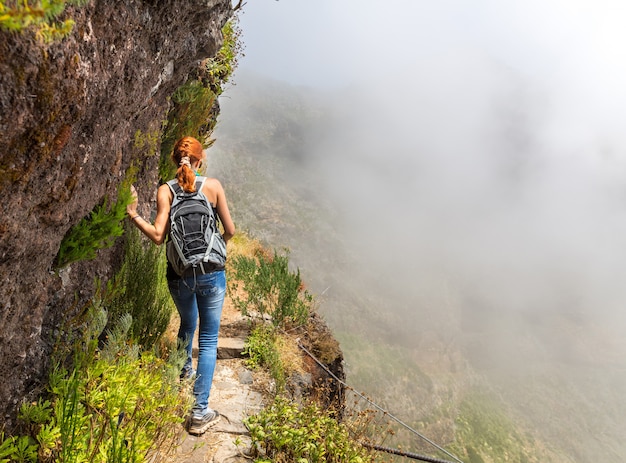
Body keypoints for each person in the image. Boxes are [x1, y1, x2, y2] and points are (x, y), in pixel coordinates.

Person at [126, 136, 235, 435]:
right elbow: (231, 230)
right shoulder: (212, 186)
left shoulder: (165, 190)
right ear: (200, 161)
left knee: (187, 325)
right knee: (209, 340)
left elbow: (158, 236)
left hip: (180, 275)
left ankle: (183, 372)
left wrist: (134, 213)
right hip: (212, 273)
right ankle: (200, 411)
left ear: (176, 160)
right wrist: (216, 248)